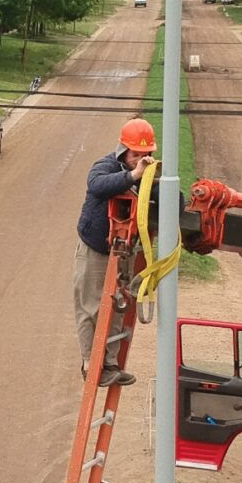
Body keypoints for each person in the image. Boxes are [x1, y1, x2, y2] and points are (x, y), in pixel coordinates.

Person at [72, 117, 158, 388]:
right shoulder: (105, 166)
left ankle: (110, 365)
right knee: (90, 307)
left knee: (119, 307)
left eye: (146, 155)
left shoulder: (150, 174)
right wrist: (133, 176)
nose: (140, 160)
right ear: (123, 150)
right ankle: (90, 363)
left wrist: (162, 183)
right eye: (136, 155)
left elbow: (174, 202)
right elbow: (97, 185)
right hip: (96, 249)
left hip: (124, 251)